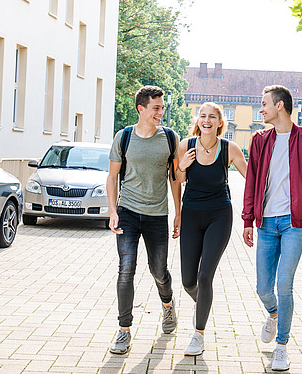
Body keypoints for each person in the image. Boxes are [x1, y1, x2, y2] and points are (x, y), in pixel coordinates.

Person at [242, 85, 302, 371]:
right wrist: (247, 219)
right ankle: (273, 314)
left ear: (280, 105)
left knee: (284, 285)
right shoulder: (260, 140)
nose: (261, 109)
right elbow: (252, 181)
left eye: (265, 103)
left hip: (296, 223)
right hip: (266, 223)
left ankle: (282, 346)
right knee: (263, 288)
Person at [106, 85, 181, 354]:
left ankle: (168, 305)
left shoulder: (170, 138)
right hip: (127, 212)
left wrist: (178, 214)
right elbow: (113, 177)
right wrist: (113, 211)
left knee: (158, 271)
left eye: (162, 108)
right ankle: (124, 330)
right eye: (156, 108)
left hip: (157, 215)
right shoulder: (124, 137)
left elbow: (175, 179)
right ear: (141, 108)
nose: (161, 112)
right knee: (126, 269)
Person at [173, 102, 248, 356]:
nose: (206, 120)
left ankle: (198, 334)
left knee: (205, 276)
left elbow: (253, 178)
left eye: (212, 117)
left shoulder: (229, 148)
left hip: (219, 216)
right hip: (192, 215)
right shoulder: (186, 145)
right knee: (187, 280)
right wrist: (181, 165)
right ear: (198, 120)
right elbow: (178, 179)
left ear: (219, 122)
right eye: (203, 116)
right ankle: (202, 301)